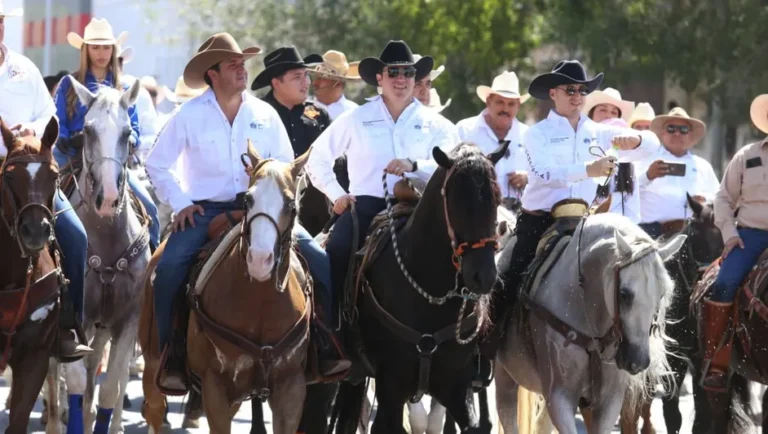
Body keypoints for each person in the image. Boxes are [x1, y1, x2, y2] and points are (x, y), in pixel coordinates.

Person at [146, 33, 343, 392]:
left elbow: (287, 167)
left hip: (264, 211)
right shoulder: (188, 114)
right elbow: (156, 164)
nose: (241, 69)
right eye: (232, 64)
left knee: (318, 258)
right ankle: (172, 353)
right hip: (204, 212)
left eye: (242, 62)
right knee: (169, 269)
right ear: (213, 74)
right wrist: (181, 204)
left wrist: (275, 207)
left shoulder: (264, 114)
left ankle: (324, 343)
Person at [306, 40, 459, 341]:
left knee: (469, 255)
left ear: (415, 78)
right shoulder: (356, 119)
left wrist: (414, 165)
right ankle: (332, 334)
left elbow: (453, 166)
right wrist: (337, 194)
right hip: (366, 206)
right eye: (394, 73)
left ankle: (469, 340)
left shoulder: (437, 124)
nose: (401, 80)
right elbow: (317, 159)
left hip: (422, 209)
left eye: (407, 72)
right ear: (380, 78)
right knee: (336, 249)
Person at [495, 60, 660, 337]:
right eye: (570, 90)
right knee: (506, 279)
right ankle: (486, 352)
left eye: (582, 91)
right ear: (553, 94)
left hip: (585, 223)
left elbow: (653, 146)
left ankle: (634, 342)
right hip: (539, 222)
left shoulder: (599, 132)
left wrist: (638, 141)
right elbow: (543, 173)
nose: (577, 96)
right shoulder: (537, 133)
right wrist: (588, 170)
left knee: (626, 278)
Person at [0, 2, 92, 360]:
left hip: (28, 172)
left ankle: (70, 325)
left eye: (0, 21)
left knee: (77, 236)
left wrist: (31, 131)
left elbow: (48, 113)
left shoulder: (24, 68)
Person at [252, 45, 350, 374]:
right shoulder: (258, 116)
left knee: (325, 269)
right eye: (297, 77)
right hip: (263, 218)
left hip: (311, 221)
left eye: (307, 76)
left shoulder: (317, 116)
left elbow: (335, 166)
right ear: (276, 82)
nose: (306, 82)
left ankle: (328, 340)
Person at [53, 18, 161, 251]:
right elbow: (58, 123)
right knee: (47, 209)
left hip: (114, 161)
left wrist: (128, 140)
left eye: (106, 47)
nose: (101, 53)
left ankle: (153, 268)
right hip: (72, 159)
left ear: (113, 49)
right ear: (86, 50)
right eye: (95, 47)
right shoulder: (68, 84)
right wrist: (67, 139)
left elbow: (134, 129)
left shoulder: (125, 86)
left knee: (150, 207)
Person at [702, 94, 768, 391]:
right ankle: (717, 360)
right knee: (725, 282)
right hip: (750, 235)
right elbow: (723, 198)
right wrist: (730, 233)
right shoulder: (747, 155)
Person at [636, 107, 719, 239]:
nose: (677, 133)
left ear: (690, 135)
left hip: (691, 234)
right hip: (649, 232)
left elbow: (718, 197)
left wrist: (704, 199)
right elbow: (626, 192)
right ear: (662, 133)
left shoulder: (703, 166)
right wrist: (648, 176)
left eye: (683, 130)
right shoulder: (645, 158)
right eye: (671, 129)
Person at [456, 71, 530, 204]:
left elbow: (543, 173)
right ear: (488, 102)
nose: (505, 109)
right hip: (476, 209)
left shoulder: (529, 135)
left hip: (520, 212)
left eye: (511, 104)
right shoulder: (465, 130)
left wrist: (527, 177)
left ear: (518, 106)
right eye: (500, 102)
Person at [582, 87, 642, 223]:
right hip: (583, 224)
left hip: (617, 229)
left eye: (614, 112)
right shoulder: (582, 149)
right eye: (602, 110)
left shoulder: (627, 158)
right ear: (591, 115)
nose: (608, 115)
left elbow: (632, 206)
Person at [117, 45, 161, 162]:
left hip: (133, 167)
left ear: (120, 65)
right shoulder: (91, 93)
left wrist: (133, 144)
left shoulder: (140, 94)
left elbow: (154, 137)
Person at [309, 50, 361, 121]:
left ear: (338, 83)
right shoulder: (302, 109)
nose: (314, 83)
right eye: (316, 77)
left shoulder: (354, 113)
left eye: (321, 78)